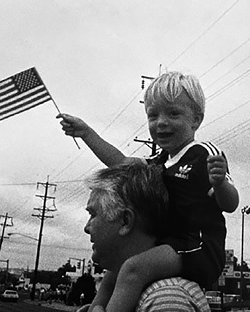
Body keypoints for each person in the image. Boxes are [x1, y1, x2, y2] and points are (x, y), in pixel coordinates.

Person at [58, 71, 239, 312]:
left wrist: (219, 184)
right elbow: (120, 162)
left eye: (173, 113)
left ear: (196, 119)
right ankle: (97, 308)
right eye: (153, 115)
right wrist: (87, 133)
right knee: (115, 269)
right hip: (166, 243)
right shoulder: (160, 160)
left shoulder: (202, 153)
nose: (161, 122)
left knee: (133, 269)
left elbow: (230, 204)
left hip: (198, 246)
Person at [80, 163, 211, 311]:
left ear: (125, 221)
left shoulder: (167, 299)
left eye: (93, 214)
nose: (87, 227)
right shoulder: (133, 290)